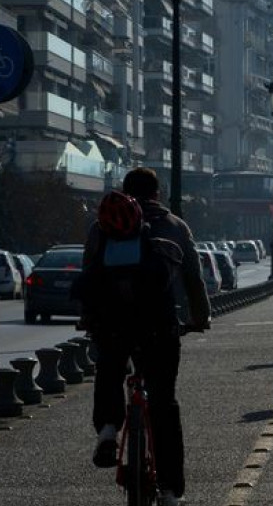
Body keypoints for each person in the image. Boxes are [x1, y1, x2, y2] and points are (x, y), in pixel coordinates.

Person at [75, 191, 203, 506]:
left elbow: (86, 283)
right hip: (157, 330)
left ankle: (107, 430)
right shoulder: (167, 235)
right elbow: (190, 279)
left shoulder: (98, 236)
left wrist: (88, 319)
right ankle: (170, 490)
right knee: (164, 404)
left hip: (114, 328)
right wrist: (199, 317)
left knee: (108, 367)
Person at [123, 168, 212, 334]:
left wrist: (87, 316)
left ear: (124, 193)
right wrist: (201, 316)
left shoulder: (105, 226)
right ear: (157, 195)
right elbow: (193, 276)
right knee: (163, 356)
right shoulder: (175, 226)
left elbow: (90, 270)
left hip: (113, 313)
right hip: (160, 314)